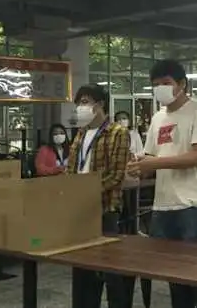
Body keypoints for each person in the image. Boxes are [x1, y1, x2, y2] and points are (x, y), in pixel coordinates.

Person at [126, 59, 197, 308]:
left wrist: (154, 163)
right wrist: (138, 165)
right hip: (164, 207)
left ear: (182, 84)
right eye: (156, 85)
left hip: (195, 206)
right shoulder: (158, 118)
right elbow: (151, 157)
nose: (161, 89)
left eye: (166, 83)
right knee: (175, 280)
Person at [66, 84, 132, 308]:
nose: (80, 107)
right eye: (78, 103)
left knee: (110, 270)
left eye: (85, 102)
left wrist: (87, 192)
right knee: (82, 270)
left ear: (100, 104)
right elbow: (72, 169)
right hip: (79, 211)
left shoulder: (117, 132)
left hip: (105, 208)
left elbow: (116, 174)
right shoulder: (81, 133)